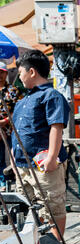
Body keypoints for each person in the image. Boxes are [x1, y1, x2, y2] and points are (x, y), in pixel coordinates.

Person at [12, 50, 70, 241]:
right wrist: (13, 158)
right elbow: (17, 132)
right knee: (30, 209)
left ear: (31, 72)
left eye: (20, 72)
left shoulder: (51, 96)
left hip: (43, 166)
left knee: (52, 207)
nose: (19, 77)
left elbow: (57, 127)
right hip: (22, 166)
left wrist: (52, 157)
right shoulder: (22, 101)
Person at [0, 61, 23, 192]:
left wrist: (5, 121)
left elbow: (19, 110)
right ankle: (2, 182)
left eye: (1, 73)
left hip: (11, 130)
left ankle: (17, 181)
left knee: (15, 156)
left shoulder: (13, 91)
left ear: (6, 73)